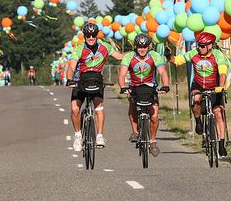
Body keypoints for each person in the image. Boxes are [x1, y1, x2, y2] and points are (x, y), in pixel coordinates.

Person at [167, 31, 230, 156]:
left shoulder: (218, 55)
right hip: (198, 85)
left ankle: (221, 144)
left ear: (210, 46)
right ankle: (198, 122)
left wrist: (221, 87)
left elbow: (223, 72)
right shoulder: (193, 53)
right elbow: (177, 61)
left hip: (215, 86)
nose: (199, 48)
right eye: (198, 45)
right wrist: (168, 56)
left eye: (202, 46)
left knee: (218, 113)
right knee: (195, 99)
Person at [67, 22, 124, 151]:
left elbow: (119, 56)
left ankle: (99, 135)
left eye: (93, 35)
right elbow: (71, 66)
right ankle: (77, 135)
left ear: (97, 35)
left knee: (99, 106)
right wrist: (70, 79)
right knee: (75, 109)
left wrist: (136, 52)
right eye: (88, 35)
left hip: (96, 80)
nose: (91, 38)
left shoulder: (105, 47)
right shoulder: (79, 49)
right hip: (80, 80)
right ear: (84, 36)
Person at [118, 33, 170, 157]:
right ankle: (135, 132)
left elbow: (162, 72)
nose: (142, 49)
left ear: (149, 47)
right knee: (132, 104)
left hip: (150, 87)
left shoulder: (155, 56)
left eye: (145, 47)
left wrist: (166, 85)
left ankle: (152, 141)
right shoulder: (129, 57)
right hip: (134, 87)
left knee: (154, 117)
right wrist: (123, 87)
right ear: (135, 47)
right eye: (140, 47)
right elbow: (122, 74)